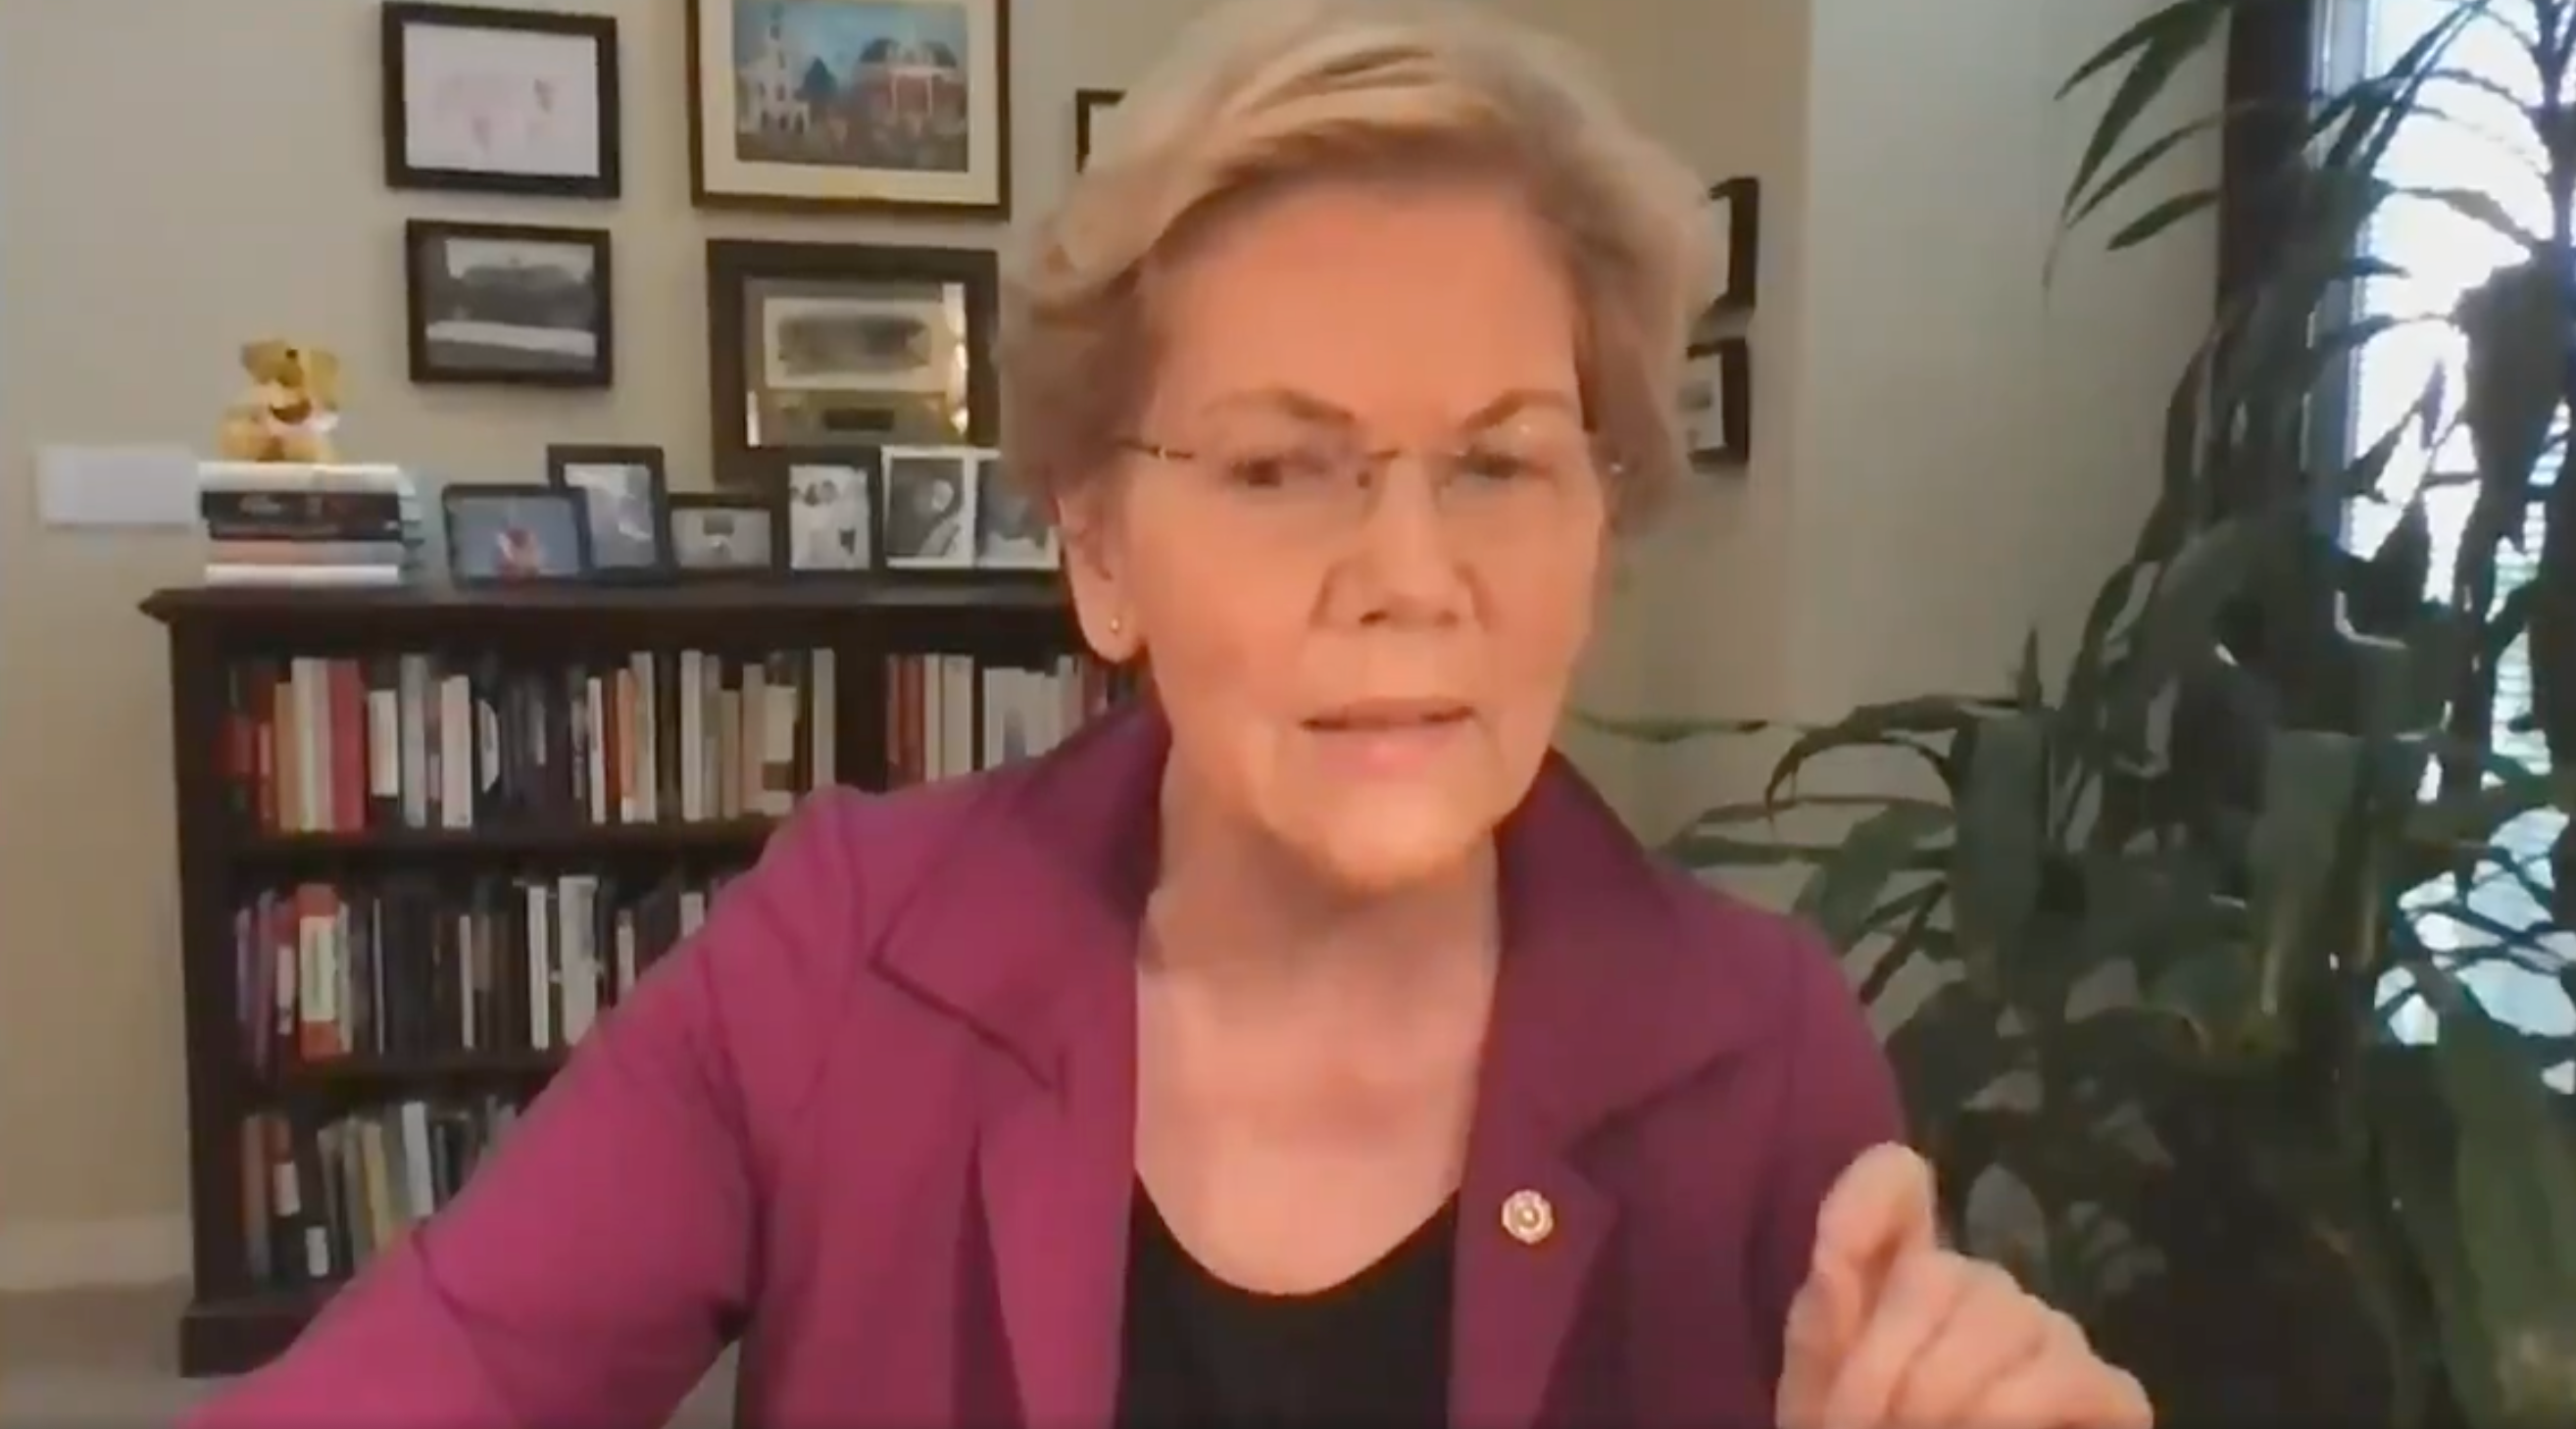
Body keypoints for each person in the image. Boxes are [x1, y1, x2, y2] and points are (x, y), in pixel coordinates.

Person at [190, 2, 2154, 1427]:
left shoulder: (1757, 1047)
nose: (1410, 570)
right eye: (1286, 468)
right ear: (1102, 550)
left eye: (1497, 464)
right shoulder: (847, 957)